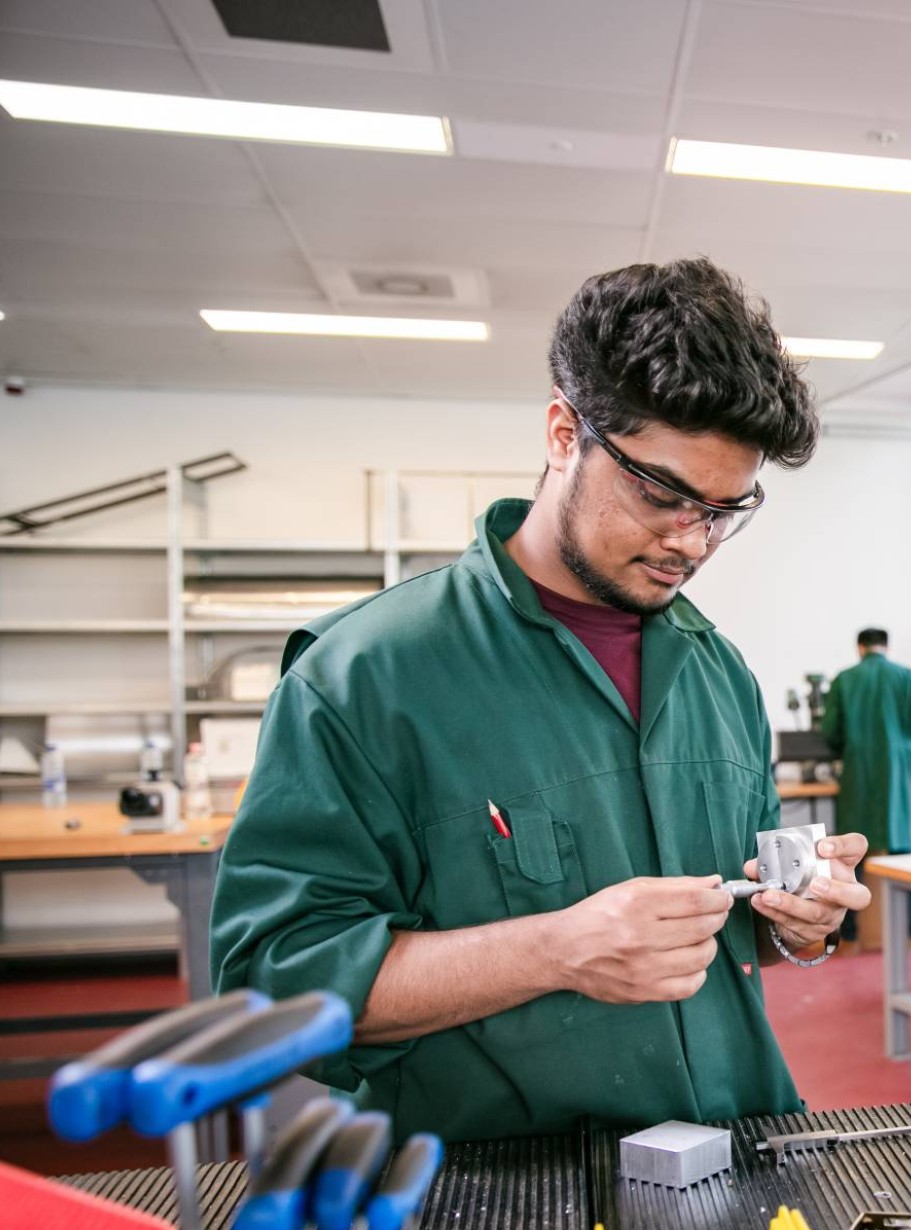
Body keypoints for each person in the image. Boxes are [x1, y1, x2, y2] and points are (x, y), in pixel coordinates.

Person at [210, 260, 873, 1141]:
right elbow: (276, 985)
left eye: (725, 509)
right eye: (663, 494)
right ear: (566, 433)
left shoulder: (719, 674)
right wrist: (556, 949)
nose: (694, 540)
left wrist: (801, 924)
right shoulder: (364, 676)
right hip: (505, 1200)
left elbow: (732, 928)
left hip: (739, 1153)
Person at [822, 628, 911, 945]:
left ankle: (848, 938)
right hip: (896, 774)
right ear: (887, 646)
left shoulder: (844, 679)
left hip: (858, 773)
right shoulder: (907, 677)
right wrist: (905, 750)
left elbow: (830, 732)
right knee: (902, 856)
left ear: (860, 647)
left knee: (852, 858)